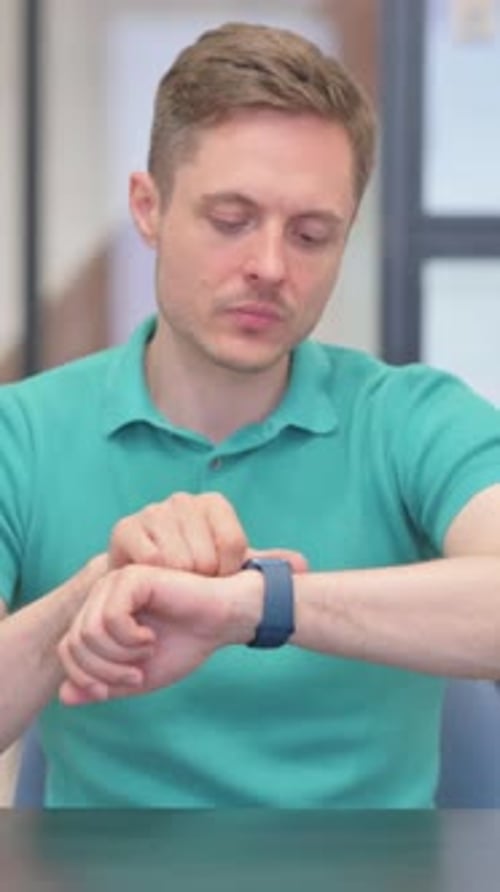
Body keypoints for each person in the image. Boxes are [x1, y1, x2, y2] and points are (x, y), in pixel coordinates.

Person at [1, 21, 500, 809]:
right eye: (231, 220)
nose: (270, 266)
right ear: (148, 207)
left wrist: (256, 606)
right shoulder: (19, 434)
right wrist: (99, 591)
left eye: (311, 234)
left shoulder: (412, 419)